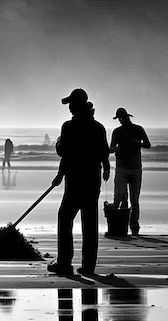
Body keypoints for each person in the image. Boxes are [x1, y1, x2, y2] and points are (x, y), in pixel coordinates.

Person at [48, 88, 110, 276]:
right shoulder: (98, 127)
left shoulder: (69, 127)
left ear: (77, 105)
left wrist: (58, 143)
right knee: (89, 222)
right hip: (92, 180)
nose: (69, 108)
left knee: (64, 217)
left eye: (70, 104)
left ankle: (64, 263)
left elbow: (64, 152)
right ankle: (88, 266)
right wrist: (106, 168)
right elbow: (104, 153)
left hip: (75, 180)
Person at [109, 107, 151, 236]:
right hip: (121, 168)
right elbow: (110, 148)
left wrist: (138, 143)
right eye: (119, 119)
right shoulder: (116, 132)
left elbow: (148, 145)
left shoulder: (138, 129)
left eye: (123, 118)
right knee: (120, 197)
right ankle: (121, 225)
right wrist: (117, 149)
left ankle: (134, 225)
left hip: (135, 168)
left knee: (134, 200)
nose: (121, 120)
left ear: (128, 117)